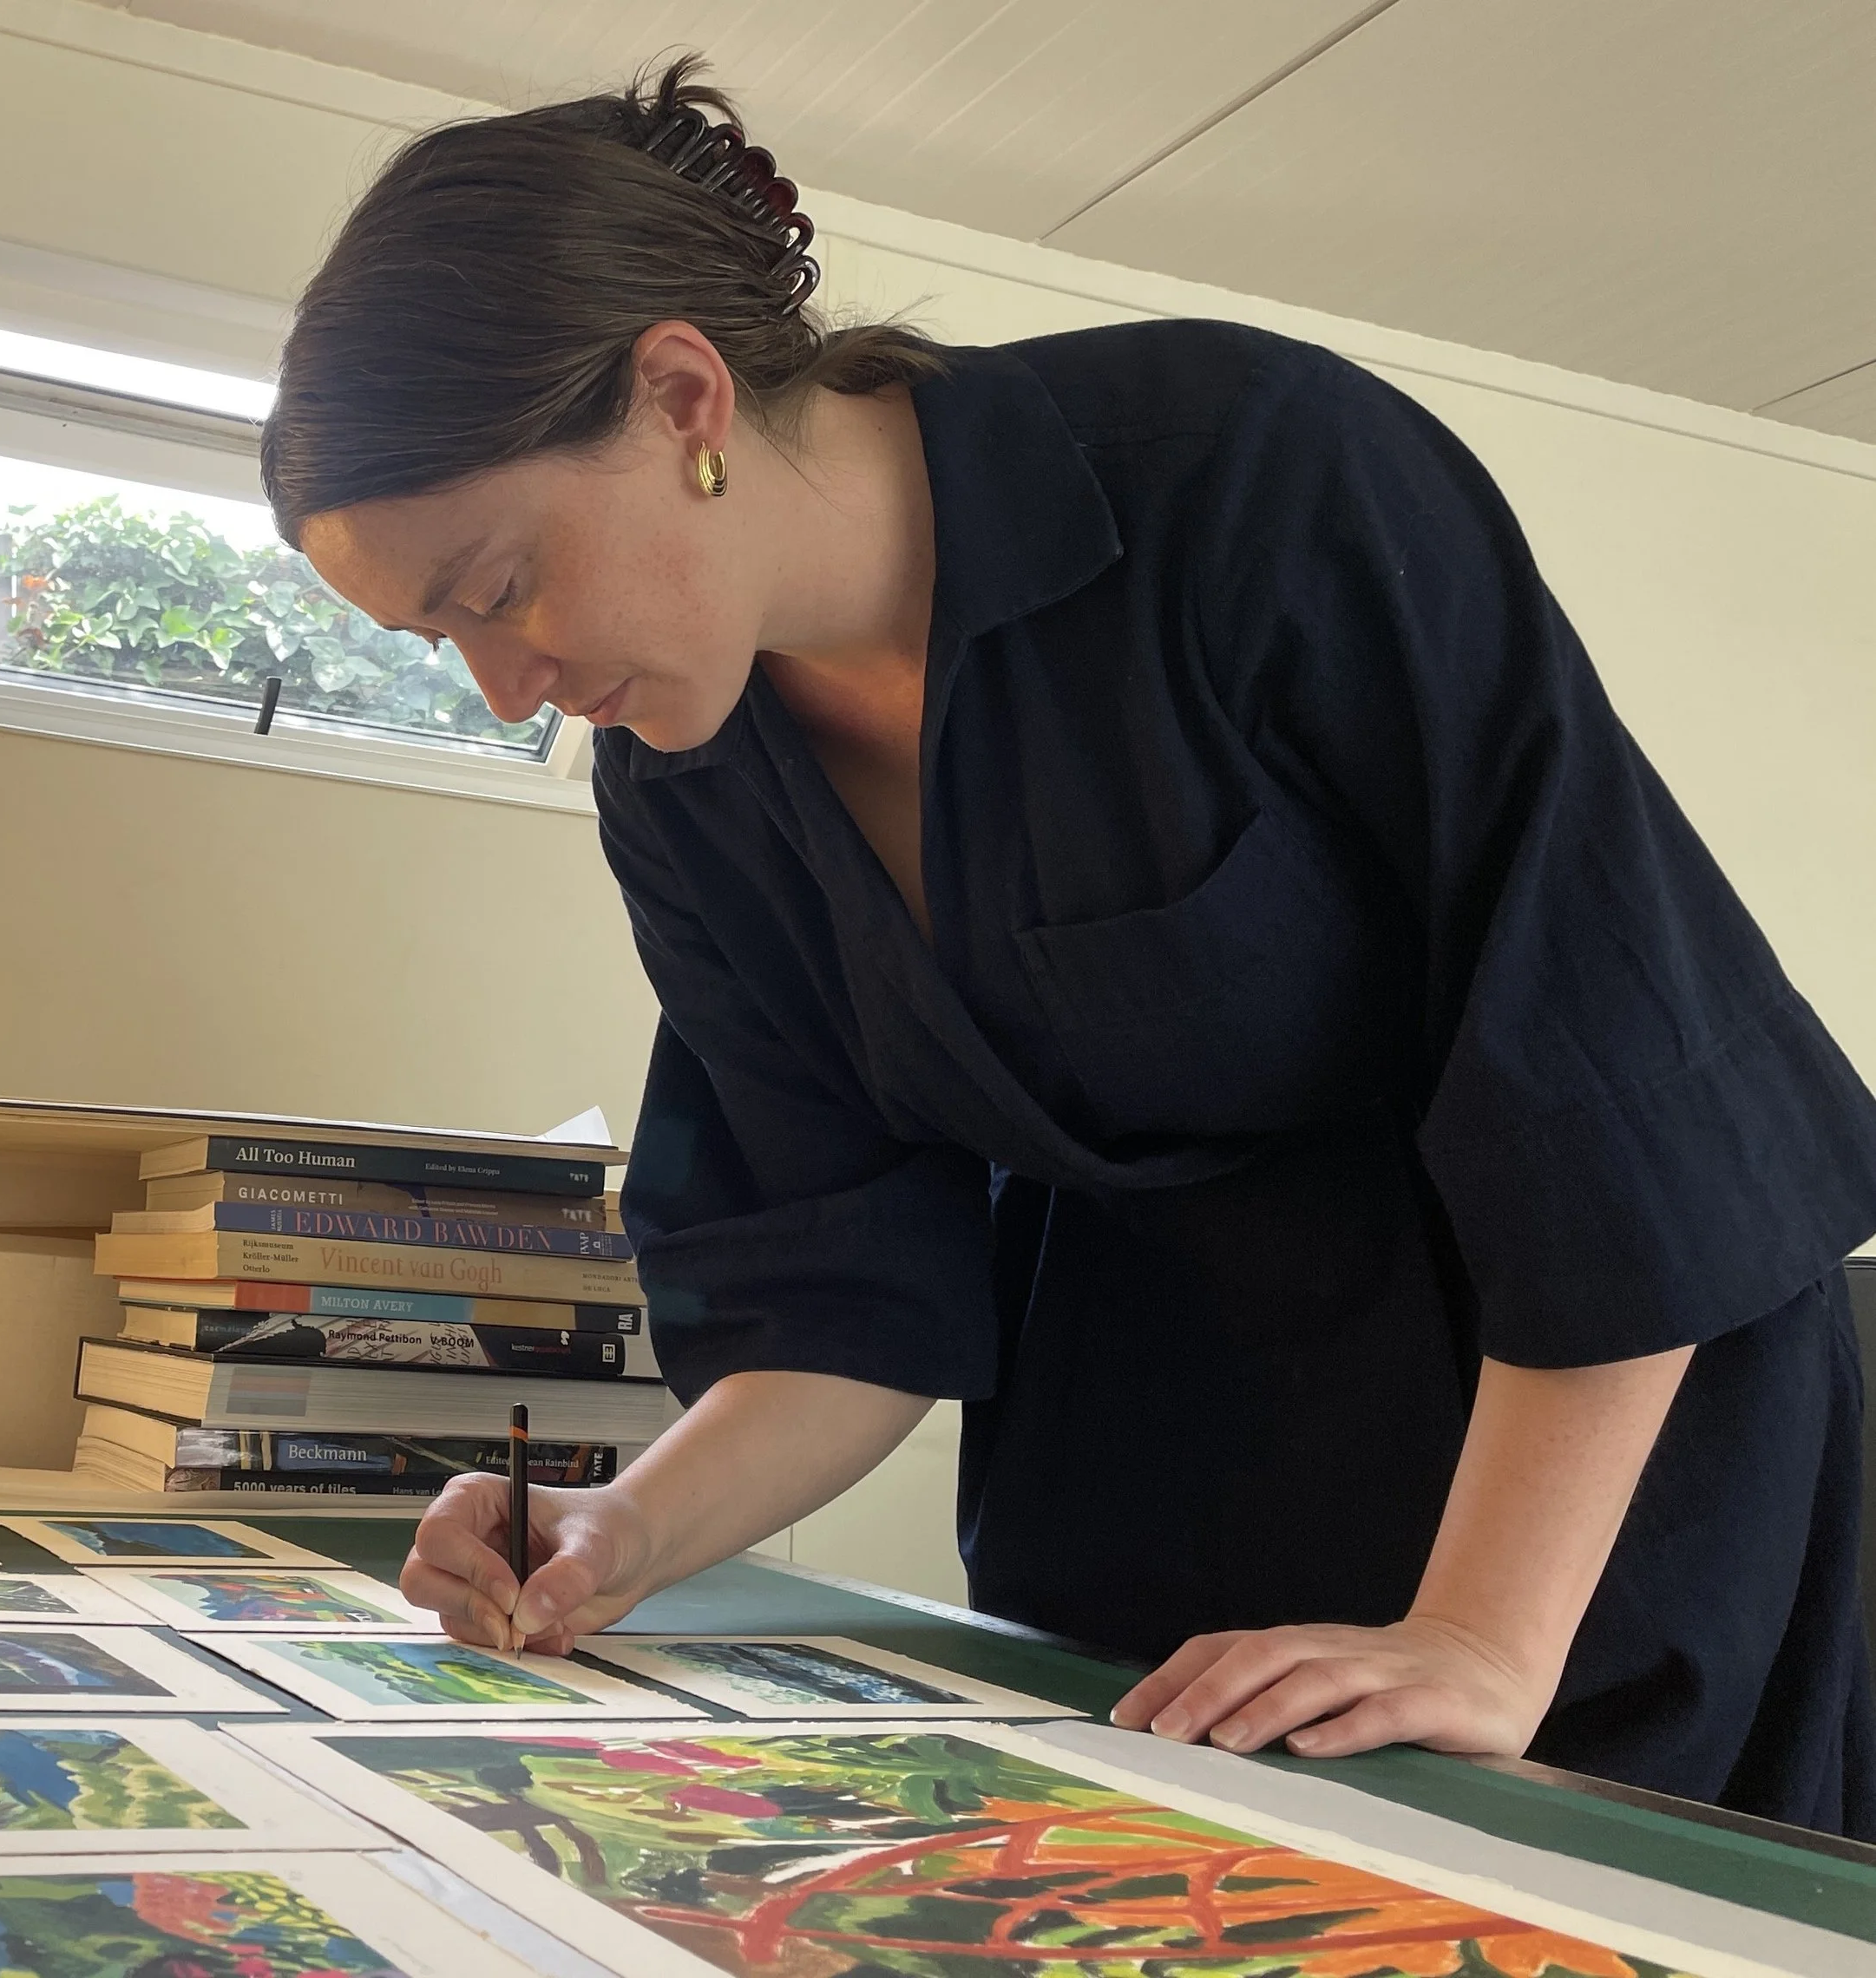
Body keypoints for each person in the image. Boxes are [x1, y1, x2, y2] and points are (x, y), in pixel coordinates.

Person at [259, 62, 1876, 1835]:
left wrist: (1482, 1635)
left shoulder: (1255, 477)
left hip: (1567, 1479)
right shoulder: (685, 781)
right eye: (440, 642)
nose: (508, 688)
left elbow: (1612, 1081)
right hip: (1158, 1447)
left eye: (498, 588)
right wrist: (622, 1527)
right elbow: (843, 1285)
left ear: (680, 394)